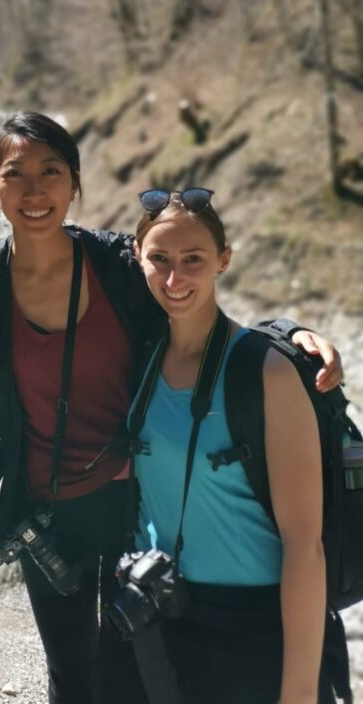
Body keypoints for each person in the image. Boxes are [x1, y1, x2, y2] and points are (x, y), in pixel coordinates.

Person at [0, 112, 342, 704]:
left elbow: (193, 296)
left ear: (75, 182)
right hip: (47, 510)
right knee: (72, 675)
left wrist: (291, 337)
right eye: (15, 174)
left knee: (133, 670)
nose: (34, 191)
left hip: (134, 501)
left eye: (51, 171)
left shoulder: (116, 266)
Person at [123, 188, 327, 704]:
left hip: (255, 627)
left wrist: (299, 693)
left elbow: (306, 544)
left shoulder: (267, 371)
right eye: (160, 260)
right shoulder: (143, 353)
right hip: (164, 617)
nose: (175, 279)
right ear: (136, 257)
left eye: (193, 260)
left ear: (224, 260)